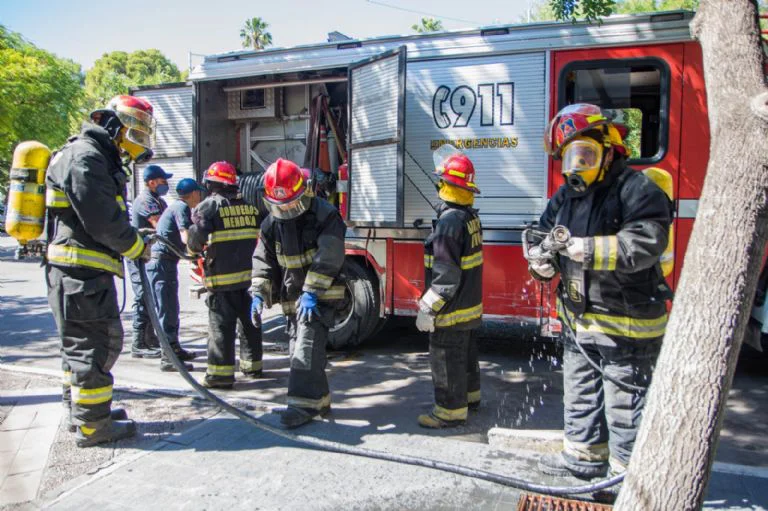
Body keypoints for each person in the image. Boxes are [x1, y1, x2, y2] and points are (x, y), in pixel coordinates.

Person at [530, 104, 672, 485]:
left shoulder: (638, 190)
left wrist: (587, 249)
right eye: (570, 157)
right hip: (580, 321)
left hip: (627, 325)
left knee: (625, 406)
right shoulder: (565, 197)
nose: (577, 166)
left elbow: (645, 243)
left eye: (586, 154)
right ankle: (583, 461)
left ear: (610, 150)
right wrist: (540, 262)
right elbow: (543, 234)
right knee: (580, 395)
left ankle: (627, 482)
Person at [45, 94, 155, 447]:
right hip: (81, 277)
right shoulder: (85, 159)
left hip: (79, 275)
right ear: (113, 125)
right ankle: (95, 426)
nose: (132, 144)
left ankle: (84, 414)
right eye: (131, 133)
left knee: (77, 349)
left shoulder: (87, 156)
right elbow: (102, 221)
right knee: (94, 347)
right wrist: (137, 245)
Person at [250, 158, 346, 429]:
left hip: (321, 298)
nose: (288, 210)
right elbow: (264, 260)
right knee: (301, 351)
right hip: (294, 301)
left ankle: (300, 407)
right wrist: (258, 292)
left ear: (304, 192)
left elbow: (330, 256)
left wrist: (312, 291)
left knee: (305, 350)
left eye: (293, 203)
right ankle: (320, 400)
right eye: (282, 206)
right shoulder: (271, 224)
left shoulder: (325, 215)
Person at [415, 144, 483, 429]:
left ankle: (449, 411)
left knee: (444, 356)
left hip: (451, 309)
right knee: (465, 355)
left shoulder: (448, 223)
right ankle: (470, 397)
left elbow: (445, 277)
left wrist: (427, 309)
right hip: (468, 308)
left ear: (444, 185)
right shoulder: (469, 218)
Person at [187, 161, 262, 389]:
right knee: (250, 324)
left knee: (221, 328)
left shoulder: (208, 207)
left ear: (212, 183)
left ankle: (220, 376)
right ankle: (252, 366)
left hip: (222, 281)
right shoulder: (250, 207)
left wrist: (193, 252)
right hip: (249, 280)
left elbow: (195, 239)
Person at [145, 178, 204, 372]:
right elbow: (185, 235)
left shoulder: (177, 206)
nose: (200, 197)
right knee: (167, 310)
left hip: (165, 264)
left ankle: (174, 348)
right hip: (161, 264)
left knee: (171, 308)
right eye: (199, 193)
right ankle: (168, 358)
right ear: (193, 193)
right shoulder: (181, 208)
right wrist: (197, 254)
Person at [128, 164, 173, 359]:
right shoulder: (146, 201)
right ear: (152, 182)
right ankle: (138, 342)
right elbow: (159, 224)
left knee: (151, 297)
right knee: (142, 296)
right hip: (139, 255)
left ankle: (150, 338)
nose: (166, 184)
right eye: (163, 181)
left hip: (148, 255)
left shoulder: (157, 200)